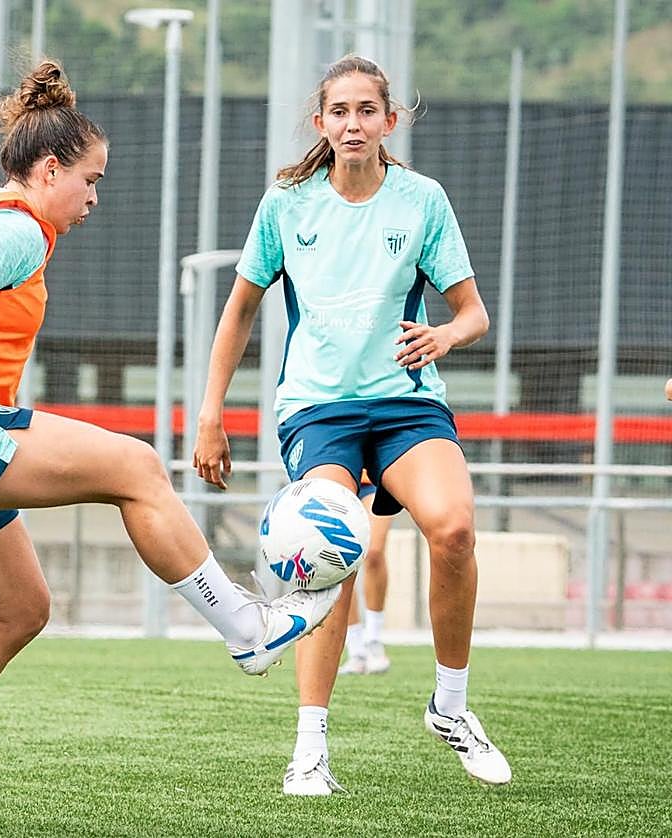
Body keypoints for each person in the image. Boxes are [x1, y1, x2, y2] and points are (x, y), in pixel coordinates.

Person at [0, 60, 339, 831]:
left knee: (19, 607)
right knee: (137, 465)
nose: (93, 199)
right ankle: (247, 631)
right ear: (49, 170)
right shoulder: (17, 228)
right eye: (89, 180)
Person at [193, 54, 511, 796]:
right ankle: (310, 750)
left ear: (389, 121)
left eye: (367, 110)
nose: (353, 124)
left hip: (407, 403)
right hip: (318, 407)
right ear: (321, 123)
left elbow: (473, 312)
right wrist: (210, 414)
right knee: (325, 552)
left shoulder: (423, 201)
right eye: (340, 111)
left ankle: (452, 709)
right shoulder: (287, 202)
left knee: (454, 530)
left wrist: (445, 337)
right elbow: (240, 308)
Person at [337, 473, 395, 675]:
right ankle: (356, 650)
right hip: (341, 479)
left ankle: (374, 640)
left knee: (374, 552)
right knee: (342, 562)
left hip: (376, 479)